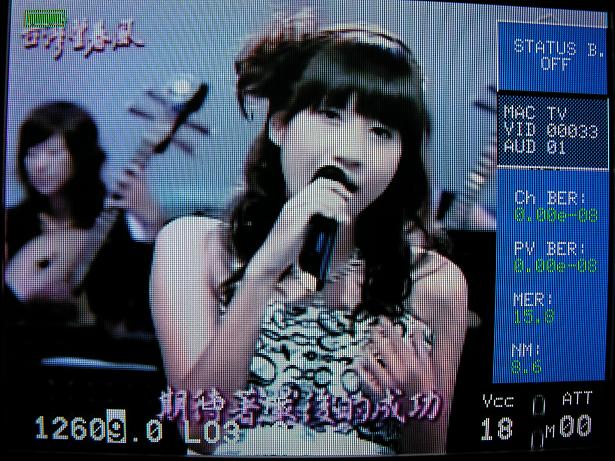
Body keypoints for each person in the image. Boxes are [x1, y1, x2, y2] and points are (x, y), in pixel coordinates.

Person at [150, 11, 468, 455]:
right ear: (280, 125)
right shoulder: (193, 246)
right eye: (331, 115)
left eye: (381, 131)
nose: (353, 152)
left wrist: (416, 403)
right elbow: (200, 432)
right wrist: (262, 272)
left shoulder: (433, 283)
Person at [4, 101, 165, 339]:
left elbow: (140, 309)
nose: (39, 165)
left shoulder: (112, 224)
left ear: (81, 156)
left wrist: (151, 225)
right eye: (31, 153)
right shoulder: (12, 222)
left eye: (53, 153)